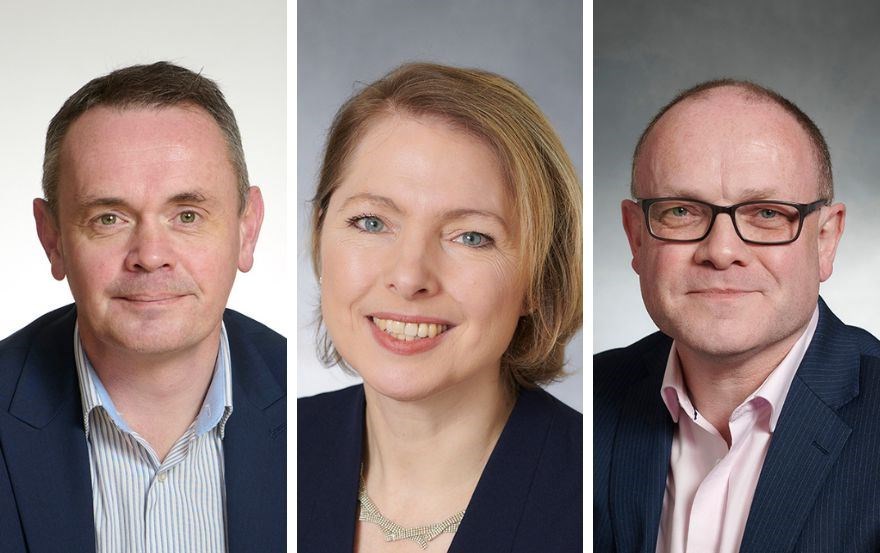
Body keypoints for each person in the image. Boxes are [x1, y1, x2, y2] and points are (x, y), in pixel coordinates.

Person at [0, 62, 285, 553]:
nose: (150, 256)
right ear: (52, 239)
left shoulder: (323, 421)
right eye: (108, 218)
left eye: (188, 215)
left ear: (247, 228)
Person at [298, 62, 582, 552]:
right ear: (321, 233)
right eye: (371, 222)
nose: (409, 278)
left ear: (538, 276)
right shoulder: (271, 450)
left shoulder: (597, 496)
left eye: (471, 236)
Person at [594, 79, 880, 552]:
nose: (722, 251)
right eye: (682, 211)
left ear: (826, 240)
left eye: (767, 213)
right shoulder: (589, 412)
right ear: (636, 237)